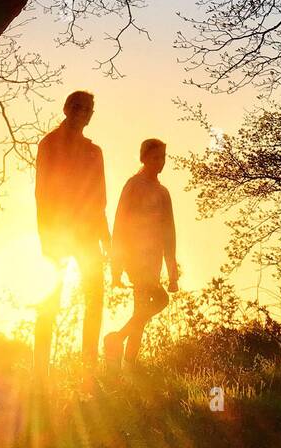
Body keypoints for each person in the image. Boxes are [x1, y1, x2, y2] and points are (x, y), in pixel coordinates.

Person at [34, 90, 110, 375]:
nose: (82, 112)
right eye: (77, 106)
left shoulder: (94, 151)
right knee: (49, 299)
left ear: (91, 115)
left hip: (89, 235)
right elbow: (42, 193)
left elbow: (100, 198)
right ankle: (40, 371)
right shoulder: (49, 144)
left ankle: (88, 367)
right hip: (58, 234)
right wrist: (46, 238)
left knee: (95, 297)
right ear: (66, 108)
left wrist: (105, 236)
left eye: (88, 109)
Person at [104, 138, 179, 368]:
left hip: (154, 258)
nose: (160, 162)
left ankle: (126, 357)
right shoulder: (134, 185)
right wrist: (116, 268)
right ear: (144, 158)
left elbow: (169, 233)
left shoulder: (163, 192)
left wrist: (172, 272)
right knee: (157, 301)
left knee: (142, 310)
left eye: (163, 158)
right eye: (155, 157)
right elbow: (120, 224)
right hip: (135, 257)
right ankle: (121, 346)